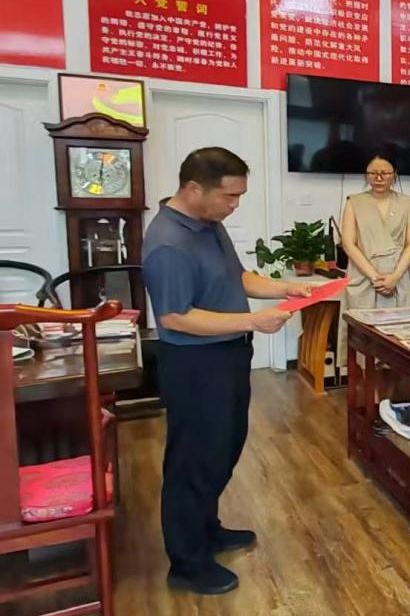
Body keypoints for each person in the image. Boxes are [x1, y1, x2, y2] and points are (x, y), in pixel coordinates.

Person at [141, 147, 310, 595]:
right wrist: (253, 320)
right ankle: (187, 563)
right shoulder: (168, 242)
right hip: (195, 364)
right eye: (229, 196)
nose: (235, 205)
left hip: (228, 355)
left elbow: (239, 277)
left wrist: (286, 288)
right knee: (193, 460)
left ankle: (207, 529)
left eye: (239, 196)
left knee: (222, 448)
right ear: (194, 189)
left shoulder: (209, 224)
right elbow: (176, 317)